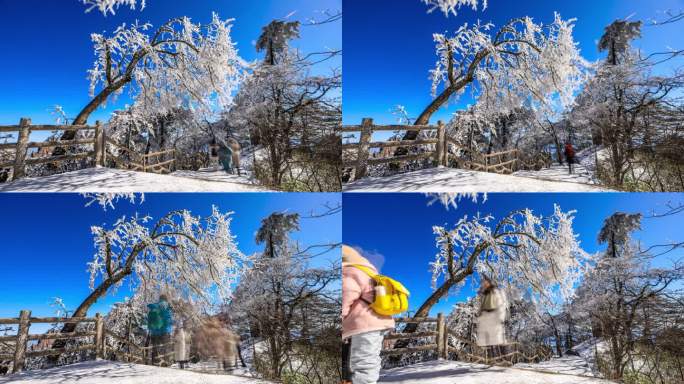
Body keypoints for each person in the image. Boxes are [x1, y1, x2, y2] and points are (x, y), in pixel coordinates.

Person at [342, 245, 394, 384]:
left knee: (362, 362)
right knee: (368, 359)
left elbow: (345, 296)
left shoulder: (351, 270)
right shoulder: (370, 272)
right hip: (379, 322)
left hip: (364, 324)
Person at [476, 276, 509, 359]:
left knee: (500, 339)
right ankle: (492, 360)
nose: (484, 284)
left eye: (486, 282)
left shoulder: (496, 291)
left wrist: (501, 317)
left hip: (495, 316)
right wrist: (479, 317)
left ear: (489, 282)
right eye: (483, 283)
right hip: (485, 318)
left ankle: (506, 359)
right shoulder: (483, 294)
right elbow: (480, 307)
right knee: (488, 340)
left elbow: (501, 304)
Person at [147, 294, 174, 366]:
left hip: (154, 332)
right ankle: (166, 365)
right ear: (166, 299)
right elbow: (169, 320)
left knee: (155, 349)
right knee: (166, 349)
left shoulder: (154, 306)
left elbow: (148, 320)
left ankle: (154, 364)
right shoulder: (167, 306)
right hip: (165, 331)